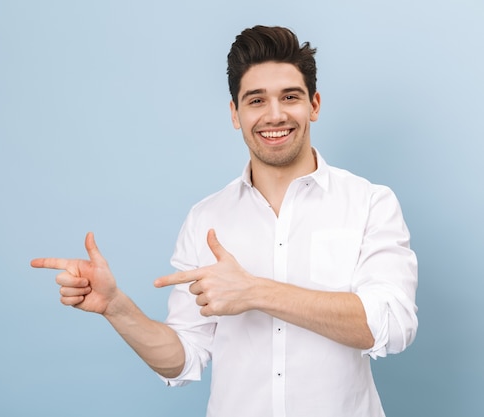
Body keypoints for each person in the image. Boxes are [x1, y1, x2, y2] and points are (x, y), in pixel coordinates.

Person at [31, 25, 418, 417]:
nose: (275, 114)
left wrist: (253, 292)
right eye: (256, 100)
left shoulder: (370, 203)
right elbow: (182, 358)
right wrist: (116, 306)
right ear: (235, 113)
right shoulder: (206, 219)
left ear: (314, 105)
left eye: (290, 96)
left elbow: (392, 325)